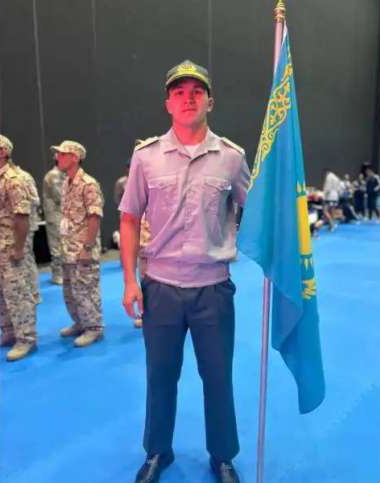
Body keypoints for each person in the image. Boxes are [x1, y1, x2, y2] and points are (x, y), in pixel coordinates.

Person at [118, 60, 249, 483]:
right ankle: (158, 451)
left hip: (213, 289)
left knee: (218, 378)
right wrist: (129, 281)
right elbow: (129, 218)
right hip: (161, 289)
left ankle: (223, 455)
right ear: (167, 103)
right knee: (160, 377)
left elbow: (255, 211)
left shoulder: (231, 158)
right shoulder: (146, 157)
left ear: (210, 101)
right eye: (179, 92)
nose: (188, 98)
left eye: (196, 91)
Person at [52, 140, 105, 348]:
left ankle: (94, 328)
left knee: (86, 289)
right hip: (68, 248)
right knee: (71, 291)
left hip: (83, 248)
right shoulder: (66, 182)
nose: (57, 157)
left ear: (75, 157)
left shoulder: (88, 184)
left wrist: (87, 247)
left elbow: (94, 217)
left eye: (62, 154)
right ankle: (80, 322)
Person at [0, 135, 41, 361]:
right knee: (0, 295)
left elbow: (22, 216)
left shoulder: (14, 179)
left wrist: (18, 248)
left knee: (18, 294)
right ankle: (8, 332)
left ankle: (26, 338)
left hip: (10, 246)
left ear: (3, 152)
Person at [42, 161, 67, 284]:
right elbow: (60, 196)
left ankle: (65, 272)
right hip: (55, 216)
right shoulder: (53, 175)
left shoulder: (63, 175)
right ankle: (57, 274)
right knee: (57, 246)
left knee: (65, 244)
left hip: (62, 215)